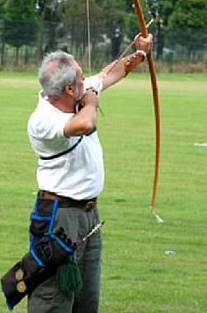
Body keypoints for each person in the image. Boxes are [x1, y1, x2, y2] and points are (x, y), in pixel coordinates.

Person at [25, 33, 153, 313]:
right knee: (53, 299)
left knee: (86, 298)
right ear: (70, 89)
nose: (88, 82)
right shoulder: (42, 120)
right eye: (82, 79)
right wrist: (92, 101)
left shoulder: (76, 92)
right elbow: (85, 124)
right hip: (59, 217)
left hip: (88, 215)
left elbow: (110, 73)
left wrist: (139, 54)